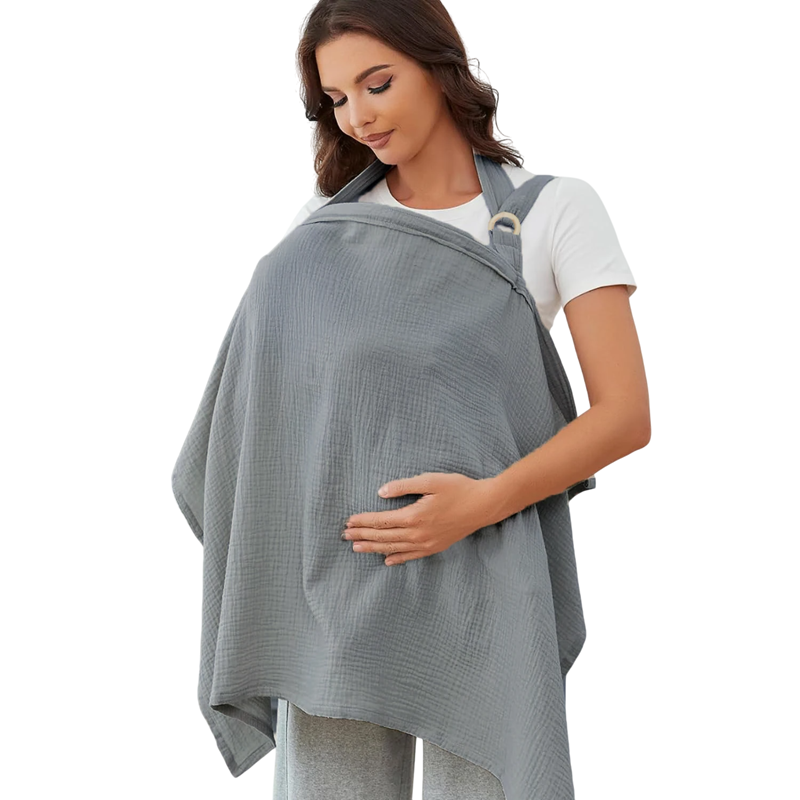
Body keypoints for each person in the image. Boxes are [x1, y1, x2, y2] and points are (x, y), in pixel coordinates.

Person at [175, 1, 650, 798]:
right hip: (337, 582)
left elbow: (625, 415)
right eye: (336, 99)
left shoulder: (554, 210)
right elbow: (265, 411)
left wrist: (480, 504)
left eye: (378, 83)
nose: (358, 116)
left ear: (438, 66)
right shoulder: (321, 229)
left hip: (487, 569)